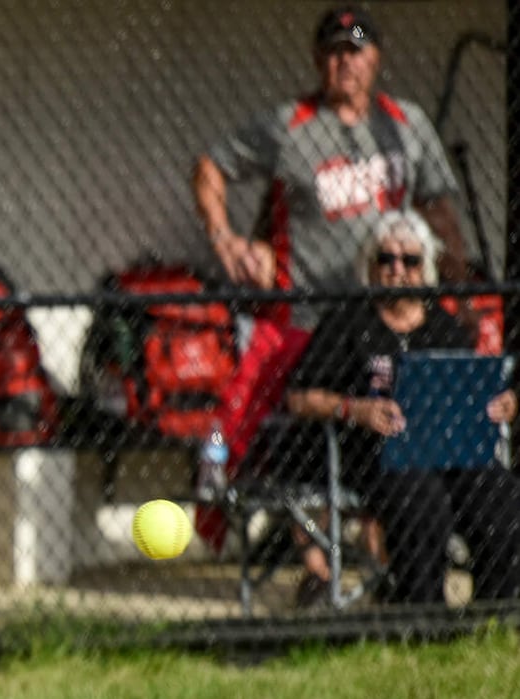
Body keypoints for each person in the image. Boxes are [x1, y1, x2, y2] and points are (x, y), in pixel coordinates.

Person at [190, 5, 470, 599]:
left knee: (399, 434)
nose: (346, 61)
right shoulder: (289, 126)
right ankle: (319, 567)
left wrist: (459, 287)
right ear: (319, 60)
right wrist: (228, 240)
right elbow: (210, 167)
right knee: (295, 436)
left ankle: (388, 565)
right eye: (336, 50)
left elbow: (440, 209)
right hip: (306, 318)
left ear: (378, 58)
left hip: (387, 317)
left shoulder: (407, 124)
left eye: (358, 49)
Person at [285, 209, 520, 605]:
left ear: (425, 268)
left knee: (502, 498)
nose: (398, 270)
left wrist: (501, 404)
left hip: (449, 453)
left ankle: (493, 613)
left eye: (410, 260)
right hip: (377, 457)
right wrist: (354, 409)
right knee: (423, 502)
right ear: (371, 266)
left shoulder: (443, 327)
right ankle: (421, 617)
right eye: (387, 259)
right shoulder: (348, 322)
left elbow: (473, 392)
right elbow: (298, 397)